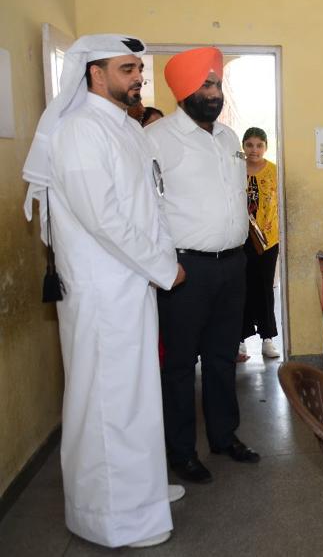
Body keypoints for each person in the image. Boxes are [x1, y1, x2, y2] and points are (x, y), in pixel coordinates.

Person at [21, 34, 186, 548]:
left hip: (131, 283)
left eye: (138, 69)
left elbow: (149, 203)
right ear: (95, 74)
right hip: (101, 292)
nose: (138, 77)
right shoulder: (78, 131)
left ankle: (144, 492)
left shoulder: (127, 127)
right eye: (126, 69)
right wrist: (164, 266)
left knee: (138, 395)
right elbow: (103, 219)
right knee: (109, 401)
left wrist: (163, 257)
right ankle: (113, 518)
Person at [147, 46, 260, 485]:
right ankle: (181, 452)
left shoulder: (229, 138)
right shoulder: (156, 139)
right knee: (179, 364)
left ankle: (223, 436)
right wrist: (163, 263)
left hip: (232, 265)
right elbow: (145, 208)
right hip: (185, 270)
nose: (215, 93)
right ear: (184, 91)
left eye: (217, 84)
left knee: (221, 356)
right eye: (206, 85)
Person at [239, 126, 281, 360]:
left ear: (265, 147)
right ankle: (240, 339)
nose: (254, 150)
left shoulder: (275, 171)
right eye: (249, 145)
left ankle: (268, 338)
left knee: (265, 289)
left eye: (259, 145)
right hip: (238, 240)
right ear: (243, 146)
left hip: (267, 242)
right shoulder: (234, 170)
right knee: (240, 288)